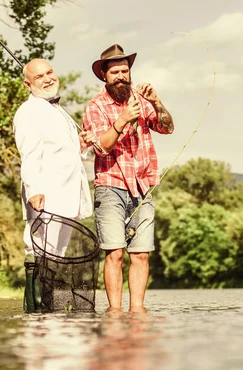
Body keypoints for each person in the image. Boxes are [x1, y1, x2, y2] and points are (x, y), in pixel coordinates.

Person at [83, 44, 175, 310]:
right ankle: (114, 311)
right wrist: (122, 119)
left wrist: (157, 102)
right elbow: (101, 146)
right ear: (104, 76)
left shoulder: (142, 100)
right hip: (110, 186)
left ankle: (137, 312)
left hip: (142, 187)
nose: (121, 76)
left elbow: (168, 128)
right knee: (115, 252)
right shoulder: (96, 107)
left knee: (141, 254)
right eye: (115, 72)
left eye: (125, 71)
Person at [13, 58, 96, 312]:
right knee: (40, 250)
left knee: (56, 254)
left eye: (50, 72)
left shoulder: (58, 111)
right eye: (40, 77)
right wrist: (35, 189)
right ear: (28, 84)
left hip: (67, 196)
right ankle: (36, 311)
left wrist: (83, 145)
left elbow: (66, 152)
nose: (48, 78)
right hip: (46, 196)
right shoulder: (29, 112)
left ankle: (48, 314)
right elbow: (28, 153)